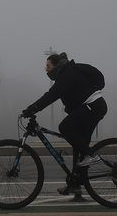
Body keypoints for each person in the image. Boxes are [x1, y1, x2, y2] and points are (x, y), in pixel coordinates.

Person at [21, 51, 107, 195]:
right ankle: (76, 183)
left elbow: (51, 96)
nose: (45, 69)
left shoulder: (67, 75)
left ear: (55, 66)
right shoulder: (65, 75)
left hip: (93, 106)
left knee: (65, 127)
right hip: (92, 107)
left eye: (48, 66)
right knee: (78, 145)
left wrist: (32, 109)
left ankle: (92, 155)